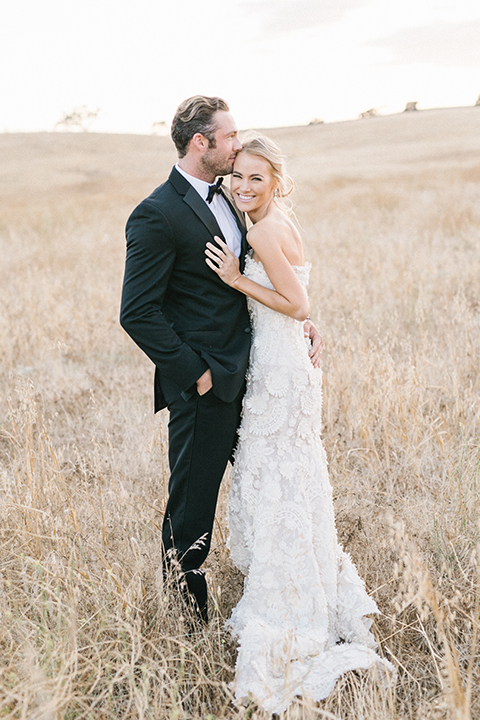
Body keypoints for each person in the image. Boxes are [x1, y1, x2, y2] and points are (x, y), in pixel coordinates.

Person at [205, 134, 394, 713]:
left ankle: (289, 605)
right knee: (290, 476)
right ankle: (302, 579)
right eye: (237, 176)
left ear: (277, 183)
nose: (243, 187)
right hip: (286, 361)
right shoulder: (275, 220)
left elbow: (299, 304)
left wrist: (236, 280)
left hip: (280, 371)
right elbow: (301, 295)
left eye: (256, 179)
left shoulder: (261, 229)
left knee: (277, 474)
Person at [119, 96, 322, 624]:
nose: (238, 145)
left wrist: (298, 323)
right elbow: (137, 313)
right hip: (207, 384)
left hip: (259, 374)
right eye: (230, 137)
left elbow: (259, 279)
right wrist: (197, 375)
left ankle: (286, 592)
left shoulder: (234, 197)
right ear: (201, 143)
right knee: (191, 507)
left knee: (273, 491)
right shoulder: (156, 213)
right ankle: (189, 626)